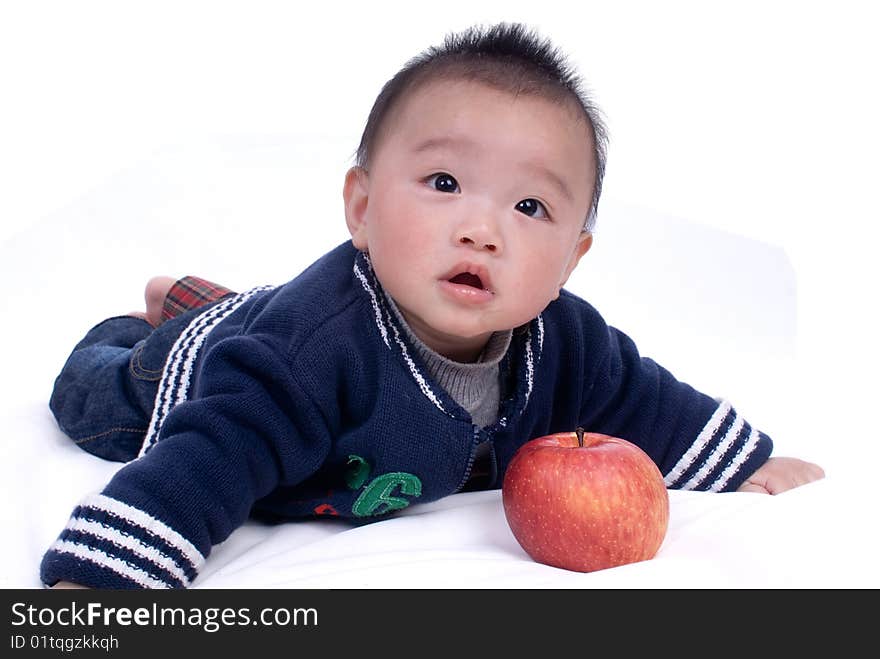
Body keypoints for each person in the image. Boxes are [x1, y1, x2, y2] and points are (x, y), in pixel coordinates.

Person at [42, 23, 824, 589]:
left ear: (570, 262)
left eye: (529, 207)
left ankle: (192, 296)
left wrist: (747, 460)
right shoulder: (308, 356)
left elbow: (643, 398)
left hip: (272, 318)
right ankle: (151, 323)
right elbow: (203, 461)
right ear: (362, 207)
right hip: (205, 369)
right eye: (444, 184)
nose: (482, 230)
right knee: (102, 396)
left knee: (265, 313)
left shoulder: (563, 339)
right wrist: (101, 588)